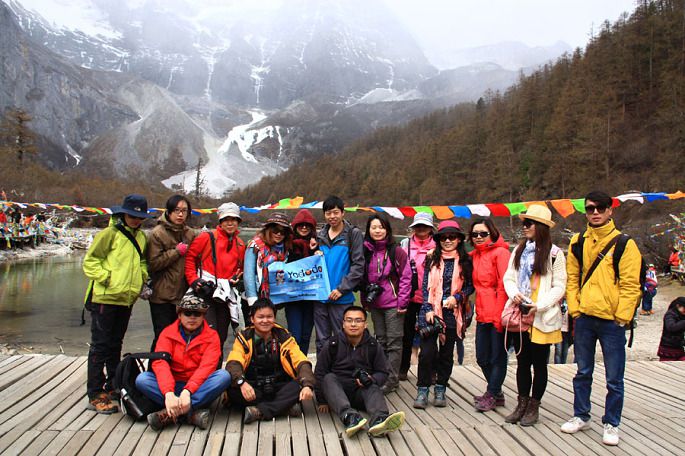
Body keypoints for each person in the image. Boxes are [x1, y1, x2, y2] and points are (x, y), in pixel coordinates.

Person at [561, 191, 642, 446]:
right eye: (590, 208)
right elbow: (572, 278)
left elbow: (631, 284)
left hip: (612, 320)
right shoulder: (578, 241)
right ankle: (581, 415)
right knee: (582, 370)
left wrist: (622, 316)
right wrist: (575, 309)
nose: (595, 212)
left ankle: (611, 422)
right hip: (585, 317)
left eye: (600, 208)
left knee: (614, 377)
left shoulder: (624, 244)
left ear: (610, 210)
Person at [83, 194, 153, 414]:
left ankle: (113, 385)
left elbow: (142, 261)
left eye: (139, 217)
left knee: (115, 344)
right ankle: (95, 393)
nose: (136, 220)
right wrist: (107, 278)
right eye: (132, 216)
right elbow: (90, 261)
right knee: (100, 346)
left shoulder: (141, 237)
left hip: (126, 298)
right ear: (123, 214)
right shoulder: (109, 234)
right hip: (105, 298)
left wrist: (141, 277)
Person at [502, 205, 566, 426]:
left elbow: (559, 286)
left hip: (541, 315)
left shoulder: (555, 254)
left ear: (541, 227)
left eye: (529, 223)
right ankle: (521, 403)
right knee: (522, 361)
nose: (525, 227)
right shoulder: (519, 251)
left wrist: (539, 305)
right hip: (521, 313)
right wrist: (515, 294)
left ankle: (533, 405)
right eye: (524, 223)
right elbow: (509, 277)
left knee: (539, 364)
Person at [136, 295, 232, 430]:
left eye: (197, 314)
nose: (192, 317)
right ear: (179, 315)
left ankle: (173, 413)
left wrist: (188, 391)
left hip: (198, 388)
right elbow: (160, 363)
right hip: (173, 383)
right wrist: (168, 393)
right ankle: (190, 413)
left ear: (203, 316)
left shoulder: (212, 336)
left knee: (223, 376)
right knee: (142, 379)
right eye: (187, 313)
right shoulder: (167, 333)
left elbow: (207, 367)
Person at [315, 306, 405, 437]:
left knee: (372, 385)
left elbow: (383, 372)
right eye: (349, 320)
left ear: (365, 324)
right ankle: (350, 417)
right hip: (337, 393)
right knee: (328, 378)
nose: (353, 324)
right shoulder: (333, 344)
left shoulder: (373, 345)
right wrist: (322, 400)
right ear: (343, 324)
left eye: (358, 320)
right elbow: (320, 372)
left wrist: (371, 379)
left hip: (360, 391)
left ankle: (380, 420)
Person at [414, 220, 474, 409]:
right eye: (443, 237)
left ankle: (441, 388)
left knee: (447, 353)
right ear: (438, 239)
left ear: (459, 239)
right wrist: (428, 308)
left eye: (452, 237)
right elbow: (425, 286)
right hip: (430, 310)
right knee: (426, 353)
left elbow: (470, 286)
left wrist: (458, 297)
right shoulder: (432, 257)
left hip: (452, 311)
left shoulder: (465, 260)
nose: (448, 241)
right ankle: (422, 389)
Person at [225, 298, 315, 424]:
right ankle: (283, 407)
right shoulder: (244, 337)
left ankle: (259, 411)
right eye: (260, 317)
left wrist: (307, 385)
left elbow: (301, 361)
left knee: (298, 386)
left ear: (274, 318)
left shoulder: (284, 336)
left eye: (269, 317)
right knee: (232, 389)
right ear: (252, 319)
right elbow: (233, 362)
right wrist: (242, 383)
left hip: (278, 386)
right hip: (253, 388)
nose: (265, 320)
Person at [185, 202, 246, 361]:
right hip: (206, 292)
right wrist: (193, 280)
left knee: (221, 335)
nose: (230, 223)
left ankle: (215, 370)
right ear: (220, 221)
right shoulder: (206, 237)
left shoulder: (240, 244)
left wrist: (237, 279)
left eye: (234, 219)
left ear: (238, 222)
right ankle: (201, 368)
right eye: (226, 219)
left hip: (226, 294)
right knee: (207, 334)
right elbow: (190, 258)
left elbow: (240, 268)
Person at [360, 213, 412, 394]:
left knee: (394, 342)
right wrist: (365, 300)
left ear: (387, 230)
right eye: (373, 227)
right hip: (375, 303)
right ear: (368, 230)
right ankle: (381, 376)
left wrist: (402, 302)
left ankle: (392, 380)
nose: (377, 231)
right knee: (380, 341)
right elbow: (363, 278)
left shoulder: (396, 251)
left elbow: (406, 277)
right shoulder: (366, 251)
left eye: (381, 227)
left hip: (393, 303)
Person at [469, 218, 511, 412]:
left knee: (498, 357)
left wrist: (499, 316)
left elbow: (504, 285)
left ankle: (492, 393)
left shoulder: (501, 253)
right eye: (475, 234)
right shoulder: (476, 255)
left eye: (483, 233)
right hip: (481, 313)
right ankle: (496, 392)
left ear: (492, 233)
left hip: (498, 314)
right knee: (482, 357)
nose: (478, 237)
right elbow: (456, 255)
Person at [314, 196, 365, 355]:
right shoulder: (321, 235)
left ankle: (344, 368)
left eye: (335, 212)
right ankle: (323, 368)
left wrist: (342, 289)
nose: (332, 216)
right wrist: (315, 255)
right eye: (328, 213)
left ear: (343, 213)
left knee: (344, 338)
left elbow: (358, 265)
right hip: (320, 297)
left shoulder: (353, 234)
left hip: (342, 297)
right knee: (321, 340)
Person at [147, 195, 197, 350]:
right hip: (162, 296)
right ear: (168, 212)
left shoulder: (190, 234)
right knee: (162, 337)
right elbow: (153, 264)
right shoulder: (157, 233)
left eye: (184, 211)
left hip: (183, 296)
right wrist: (176, 252)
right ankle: (156, 365)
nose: (180, 214)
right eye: (176, 210)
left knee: (182, 339)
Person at [399, 212, 436, 380]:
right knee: (405, 335)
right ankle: (403, 368)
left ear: (431, 228)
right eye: (418, 226)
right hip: (408, 296)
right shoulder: (405, 244)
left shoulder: (438, 245)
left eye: (425, 226)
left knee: (430, 334)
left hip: (430, 297)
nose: (421, 229)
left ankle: (431, 371)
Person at [285, 209, 318, 354]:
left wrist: (313, 251)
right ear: (295, 226)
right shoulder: (287, 245)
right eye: (301, 225)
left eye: (307, 225)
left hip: (311, 298)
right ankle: (293, 362)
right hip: (293, 298)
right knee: (295, 335)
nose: (304, 228)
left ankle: (302, 362)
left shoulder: (317, 245)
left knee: (306, 335)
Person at [244, 212, 292, 306]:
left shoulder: (285, 249)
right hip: (257, 295)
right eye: (275, 230)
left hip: (275, 296)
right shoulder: (255, 245)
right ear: (268, 230)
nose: (279, 234)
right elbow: (248, 274)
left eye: (283, 232)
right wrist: (253, 300)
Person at [656, 297, 685, 361]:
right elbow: (671, 327)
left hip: (679, 347)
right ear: (678, 306)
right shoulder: (670, 314)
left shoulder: (682, 315)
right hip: (668, 348)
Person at [554, 299, 573, 364]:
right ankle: (557, 365)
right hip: (558, 330)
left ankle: (563, 365)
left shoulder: (571, 303)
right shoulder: (557, 302)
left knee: (565, 351)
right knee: (558, 350)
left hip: (567, 331)